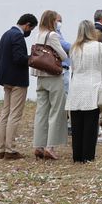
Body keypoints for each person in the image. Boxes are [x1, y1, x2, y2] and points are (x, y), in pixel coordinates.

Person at [0, 12, 37, 160]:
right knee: (15, 114)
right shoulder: (18, 36)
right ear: (27, 25)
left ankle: (0, 149)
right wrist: (32, 58)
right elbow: (19, 58)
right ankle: (10, 149)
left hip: (6, 79)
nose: (29, 32)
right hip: (17, 80)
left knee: (5, 113)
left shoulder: (6, 34)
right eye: (31, 28)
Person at [66, 20, 102, 163]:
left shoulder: (74, 47)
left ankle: (77, 155)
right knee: (91, 123)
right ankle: (88, 155)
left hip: (77, 85)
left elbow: (73, 68)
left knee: (77, 123)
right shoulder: (98, 46)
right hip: (93, 85)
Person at [30, 10, 68, 161]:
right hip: (53, 75)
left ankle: (38, 145)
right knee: (56, 111)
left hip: (40, 76)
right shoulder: (52, 35)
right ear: (52, 20)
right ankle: (50, 147)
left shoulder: (38, 34)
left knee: (41, 112)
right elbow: (63, 55)